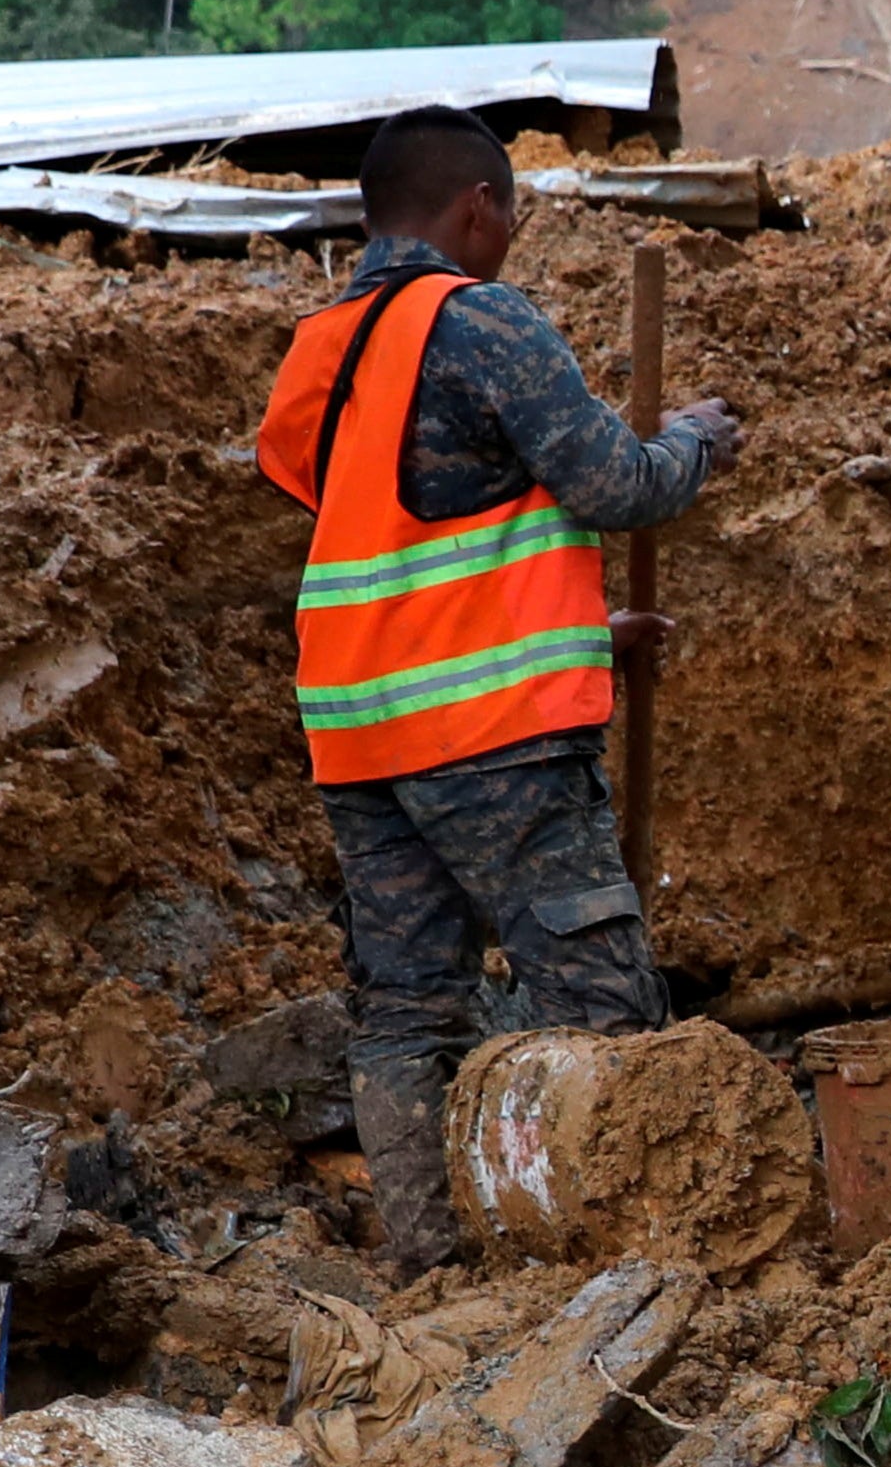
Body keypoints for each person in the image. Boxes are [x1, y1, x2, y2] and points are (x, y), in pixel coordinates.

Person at [254, 105, 737, 1277]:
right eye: (508, 213)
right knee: (595, 984)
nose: (508, 237)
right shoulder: (480, 320)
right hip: (490, 735)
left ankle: (433, 1264)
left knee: (407, 1006)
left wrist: (579, 631)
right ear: (478, 207)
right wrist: (695, 441)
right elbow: (618, 486)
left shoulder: (326, 350)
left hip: (361, 727)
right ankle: (622, 1256)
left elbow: (418, 534)